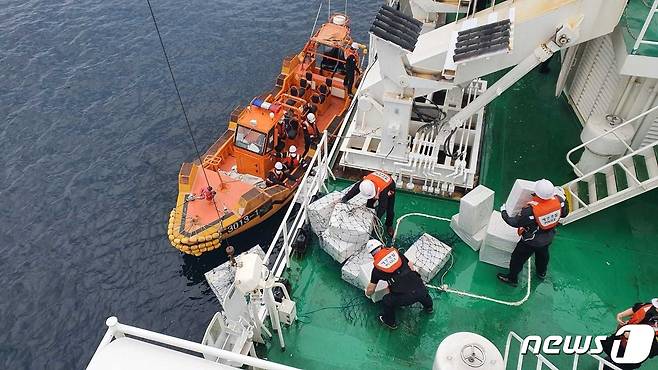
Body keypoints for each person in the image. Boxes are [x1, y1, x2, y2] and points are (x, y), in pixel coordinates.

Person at [497, 179, 569, 286]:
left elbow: (515, 222)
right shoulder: (560, 201)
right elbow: (564, 214)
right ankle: (541, 273)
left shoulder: (531, 211)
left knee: (517, 258)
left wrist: (504, 212)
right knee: (543, 255)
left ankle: (512, 278)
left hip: (531, 241)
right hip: (548, 237)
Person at [365, 239, 433, 330]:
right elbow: (411, 266)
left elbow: (370, 290)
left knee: (386, 300)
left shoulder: (376, 270)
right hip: (421, 289)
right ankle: (429, 308)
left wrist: (367, 294)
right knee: (422, 292)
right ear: (382, 246)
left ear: (372, 254)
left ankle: (390, 322)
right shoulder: (397, 254)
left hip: (405, 299)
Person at [601, 298, 658, 369]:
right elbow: (635, 309)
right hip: (621, 340)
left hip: (635, 352)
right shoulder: (648, 306)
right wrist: (621, 315)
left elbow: (652, 348)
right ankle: (612, 360)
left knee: (624, 365)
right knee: (611, 350)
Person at [341, 171, 397, 236]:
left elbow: (382, 207)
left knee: (389, 209)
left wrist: (375, 220)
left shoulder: (383, 191)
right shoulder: (365, 182)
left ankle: (389, 225)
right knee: (369, 205)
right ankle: (369, 218)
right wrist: (344, 199)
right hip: (376, 183)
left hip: (388, 186)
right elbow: (354, 190)